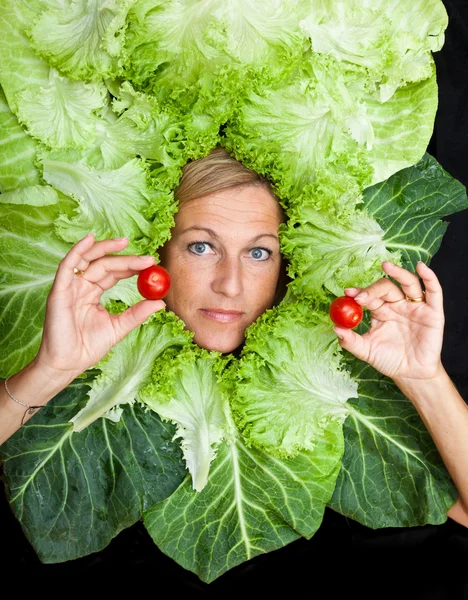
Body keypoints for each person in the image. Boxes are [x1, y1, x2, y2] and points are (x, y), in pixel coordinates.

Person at [1, 148, 467, 532]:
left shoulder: (327, 381)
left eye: (259, 252)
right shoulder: (100, 374)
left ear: (287, 267)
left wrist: (425, 379)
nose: (231, 284)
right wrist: (51, 371)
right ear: (158, 250)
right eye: (201, 247)